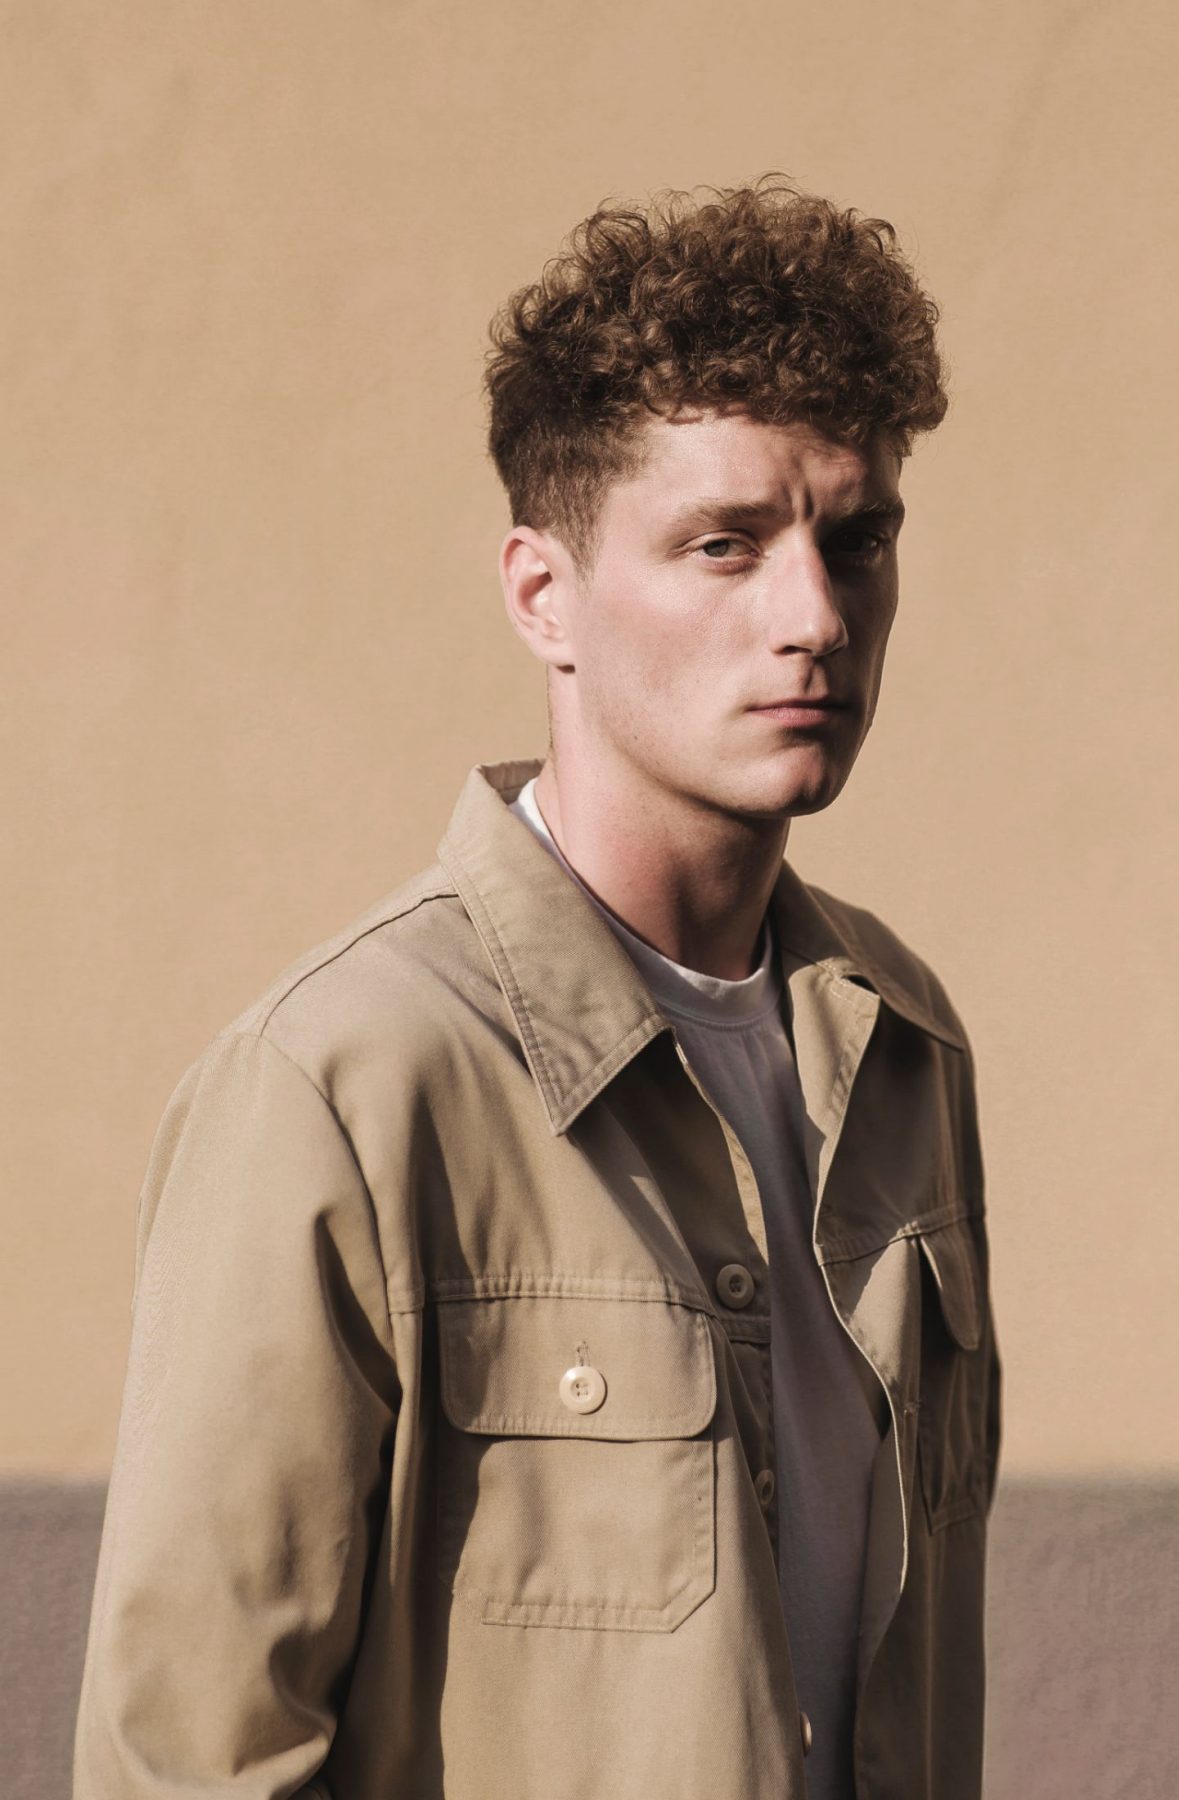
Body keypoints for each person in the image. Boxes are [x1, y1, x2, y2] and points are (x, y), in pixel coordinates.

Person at [73, 176, 1002, 1800]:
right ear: (540, 595)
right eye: (723, 546)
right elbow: (190, 1758)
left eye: (855, 543)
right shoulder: (347, 1081)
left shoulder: (898, 1045)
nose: (813, 617)